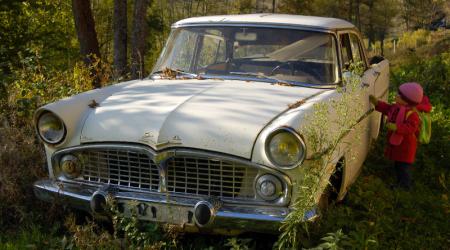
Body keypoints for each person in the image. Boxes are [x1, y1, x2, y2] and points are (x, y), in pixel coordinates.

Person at [369, 82, 423, 190]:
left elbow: (411, 128)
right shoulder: (396, 107)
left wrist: (397, 127)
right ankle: (400, 183)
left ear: (407, 101)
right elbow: (387, 109)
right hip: (399, 146)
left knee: (403, 167)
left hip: (406, 147)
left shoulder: (412, 114)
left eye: (399, 95)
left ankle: (405, 186)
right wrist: (377, 103)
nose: (396, 95)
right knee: (398, 165)